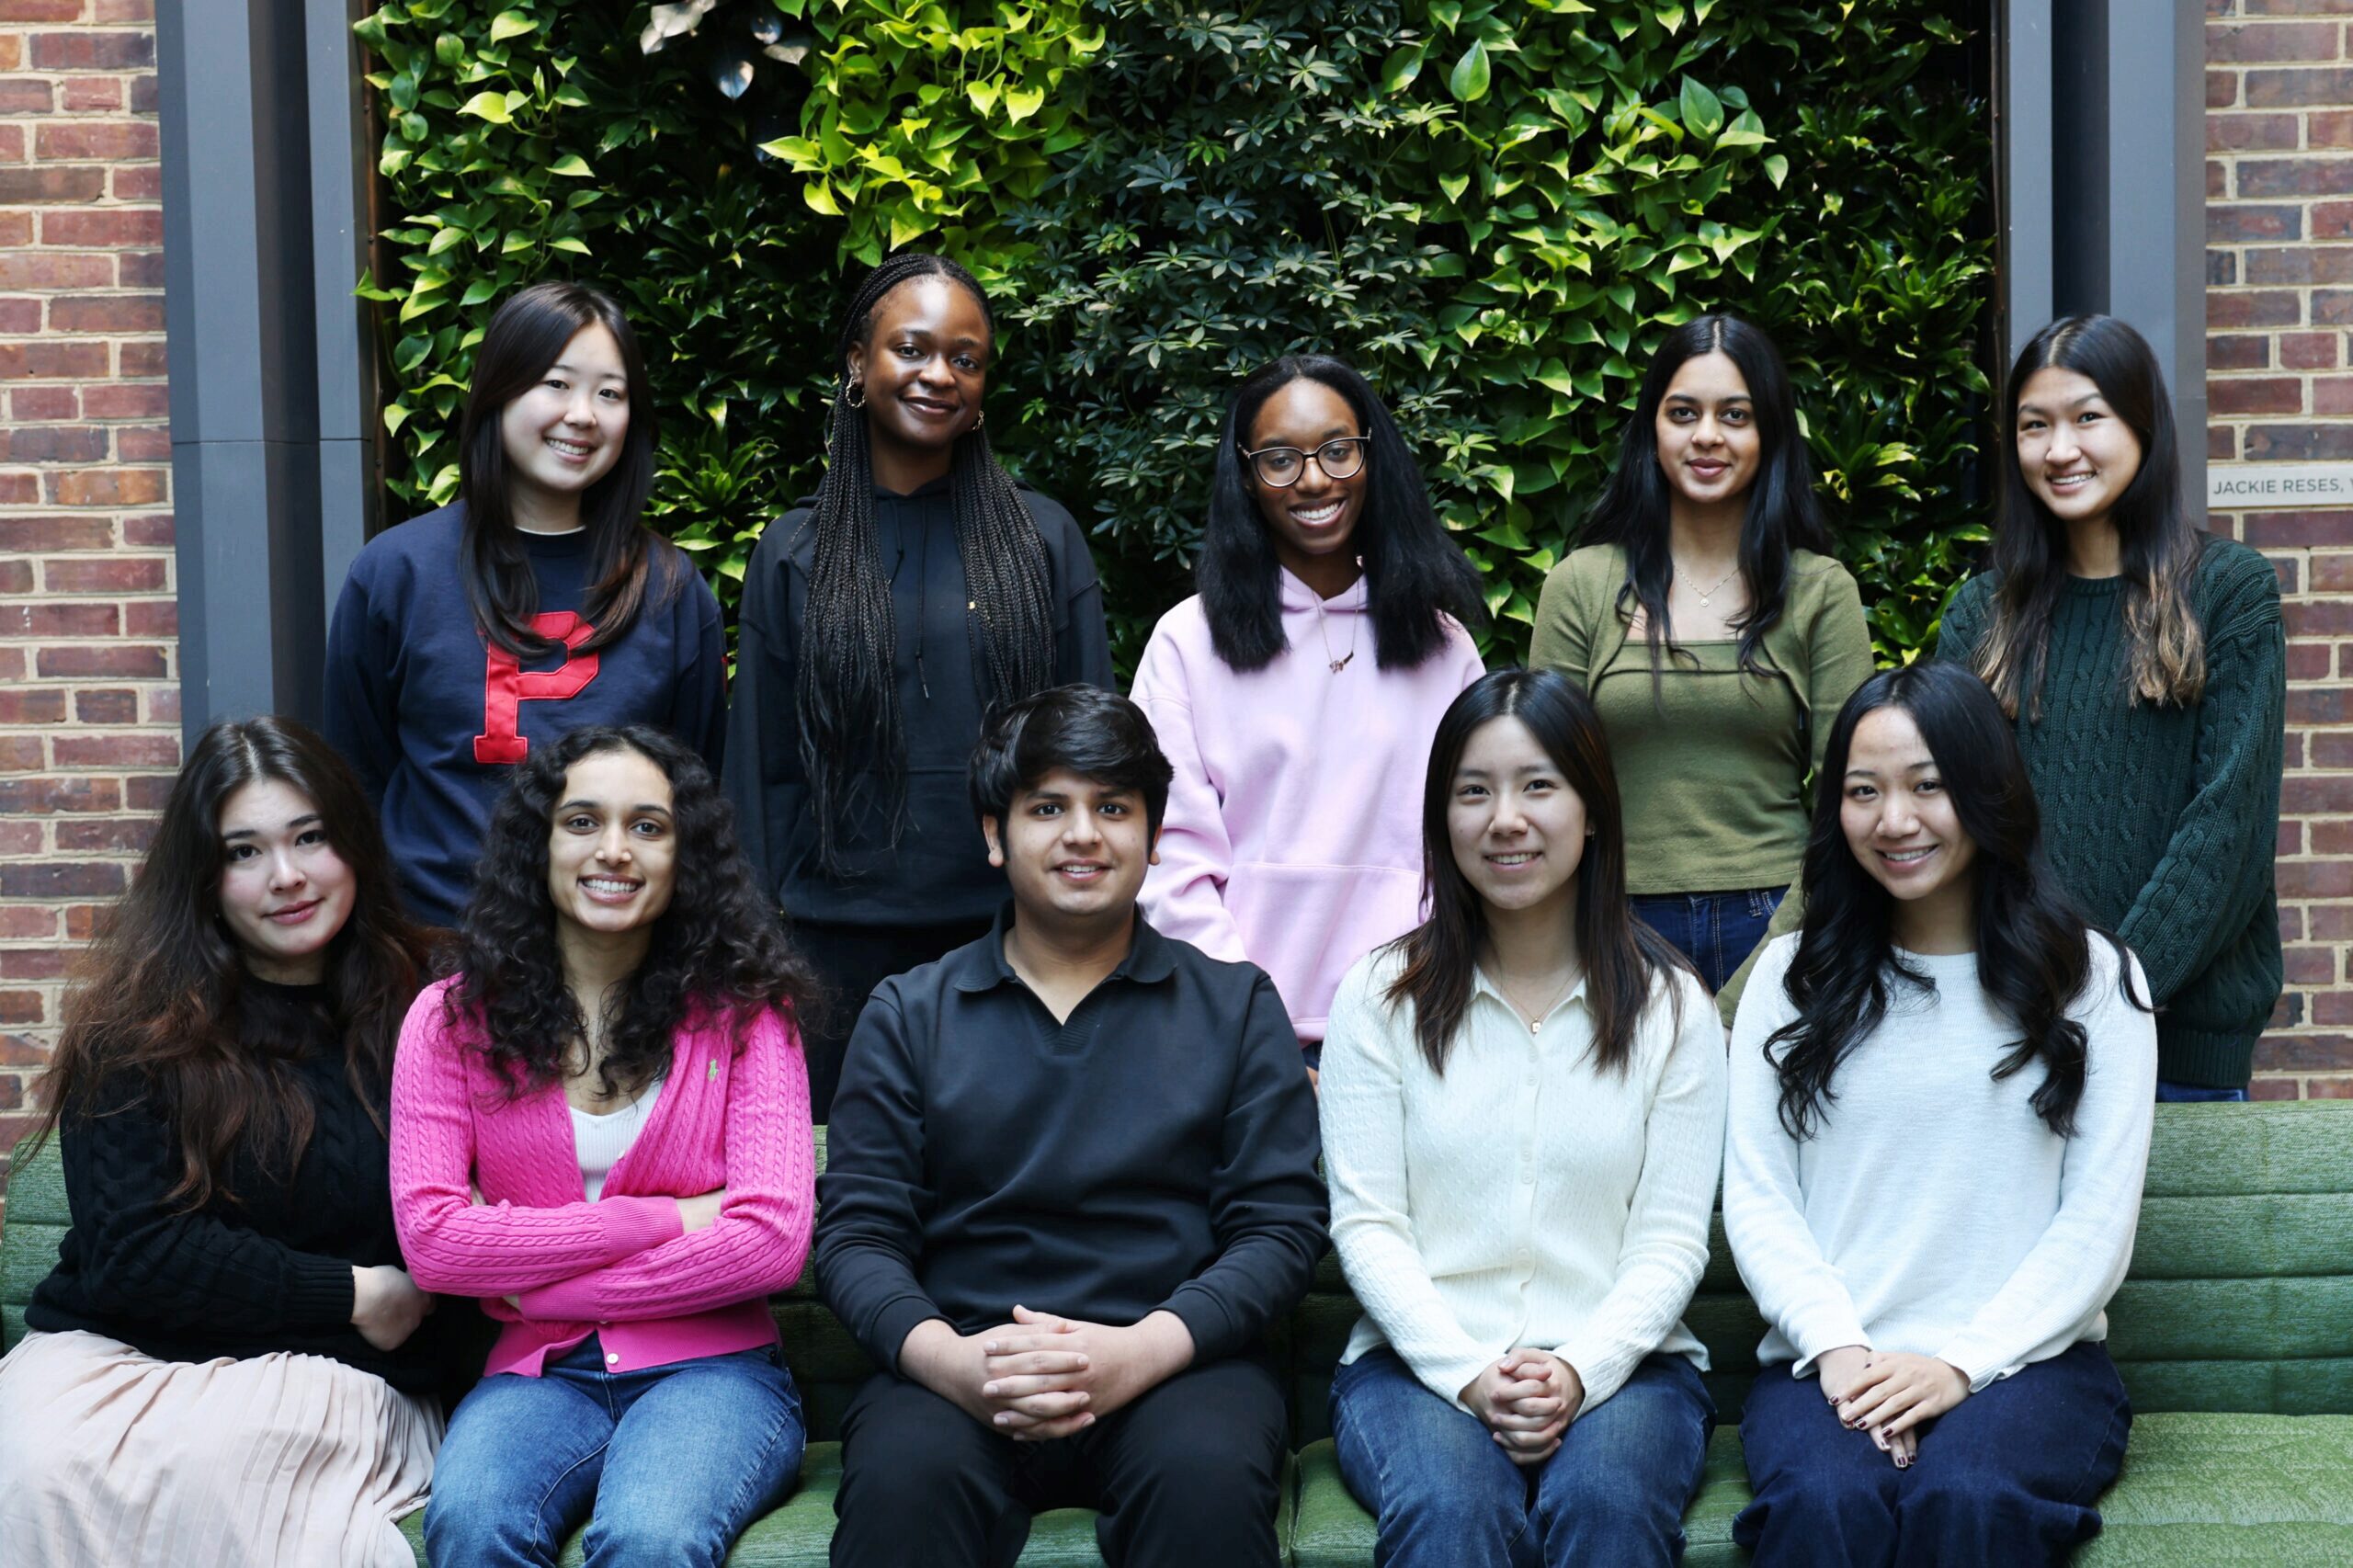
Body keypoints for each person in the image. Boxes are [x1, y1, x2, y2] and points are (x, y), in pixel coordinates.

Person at [814, 685, 1326, 1568]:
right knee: (902, 1488)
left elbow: (1280, 1230)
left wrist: (1139, 1352)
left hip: (1177, 1365)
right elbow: (856, 1237)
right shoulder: (910, 1013)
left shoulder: (1236, 1008)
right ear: (993, 832)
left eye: (1113, 808)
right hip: (961, 1365)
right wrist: (954, 1365)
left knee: (1205, 1485)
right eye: (1047, 807)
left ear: (1155, 836)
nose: (1083, 834)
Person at [1723, 661, 2155, 1565]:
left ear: (1985, 791)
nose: (1894, 820)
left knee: (1966, 1497)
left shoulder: (2093, 980)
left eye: (1929, 786)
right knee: (1826, 1500)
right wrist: (1840, 1349)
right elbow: (1759, 1197)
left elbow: (2095, 1228)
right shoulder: (1789, 978)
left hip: (2031, 1366)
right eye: (1862, 791)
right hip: (1826, 1365)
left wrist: (1959, 1363)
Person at [0, 717, 445, 1566]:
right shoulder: (137, 1028)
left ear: (351, 840)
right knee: (33, 1468)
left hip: (331, 1381)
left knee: (226, 1472)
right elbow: (136, 1252)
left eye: (309, 838)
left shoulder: (434, 1008)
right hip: (119, 1361)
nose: (286, 877)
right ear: (203, 878)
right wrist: (353, 1294)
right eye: (244, 852)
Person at [1320, 668, 1724, 1567]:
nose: (1506, 818)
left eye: (1538, 784)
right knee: (1450, 1504)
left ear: (1593, 810)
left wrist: (1579, 1368)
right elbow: (1369, 1224)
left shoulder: (1672, 1009)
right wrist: (1468, 1374)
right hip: (1415, 1366)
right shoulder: (1379, 998)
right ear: (1442, 821)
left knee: (1606, 1501)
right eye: (1474, 791)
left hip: (1630, 1367)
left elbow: (1668, 1241)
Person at [391, 724, 816, 1567]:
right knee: (473, 1525)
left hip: (716, 1374)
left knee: (648, 1538)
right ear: (538, 844)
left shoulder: (747, 1017)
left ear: (683, 855)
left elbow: (769, 1245)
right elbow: (437, 1245)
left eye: (648, 827)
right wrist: (666, 1220)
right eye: (582, 821)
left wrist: (537, 1286)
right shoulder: (448, 1022)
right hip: (537, 1380)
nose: (614, 850)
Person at [724, 252, 1114, 1119]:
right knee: (853, 1205)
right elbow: (761, 774)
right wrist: (752, 960)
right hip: (832, 958)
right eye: (912, 348)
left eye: (966, 359)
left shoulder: (1044, 543)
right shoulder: (794, 552)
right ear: (859, 364)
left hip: (1016, 946)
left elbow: (1094, 758)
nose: (940, 374)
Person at [1935, 313, 2285, 1099]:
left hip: (2177, 1055)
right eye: (2034, 426)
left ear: (2142, 424)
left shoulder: (2229, 593)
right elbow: (1952, 817)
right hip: (2007, 1038)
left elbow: (2227, 827)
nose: (2060, 450)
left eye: (2087, 417)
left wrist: (2108, 1001)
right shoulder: (1980, 614)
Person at [325, 280, 725, 930]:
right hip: (434, 950)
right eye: (557, 384)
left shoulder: (672, 591)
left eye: (610, 393)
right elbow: (356, 779)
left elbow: (693, 791)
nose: (584, 414)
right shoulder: (396, 573)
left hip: (613, 959)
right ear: (499, 391)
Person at [1131, 354, 1485, 1073]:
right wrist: (1252, 1025)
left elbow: (1469, 845)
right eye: (1281, 459)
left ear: (1371, 456)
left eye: (1336, 450)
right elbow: (1167, 858)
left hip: (1414, 1029)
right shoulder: (1188, 642)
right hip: (1232, 1040)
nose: (1315, 479)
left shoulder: (1444, 646)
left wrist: (1410, 1004)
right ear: (1245, 475)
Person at [1530, 314, 1872, 1017]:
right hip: (1616, 928)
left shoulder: (1820, 591)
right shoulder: (1582, 585)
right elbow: (1544, 790)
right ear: (1652, 430)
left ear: (1769, 432)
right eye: (1683, 413)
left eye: (1735, 415)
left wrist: (1760, 981)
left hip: (1781, 921)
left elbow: (1854, 799)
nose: (1707, 436)